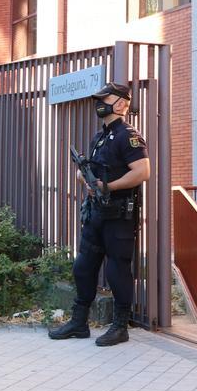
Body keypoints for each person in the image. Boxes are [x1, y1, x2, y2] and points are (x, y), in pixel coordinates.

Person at [49, 82, 150, 346]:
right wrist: (85, 178)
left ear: (121, 104)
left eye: (104, 98)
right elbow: (91, 171)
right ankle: (79, 322)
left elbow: (142, 171)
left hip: (119, 216)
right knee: (83, 267)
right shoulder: (99, 137)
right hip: (96, 214)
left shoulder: (129, 135)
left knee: (117, 270)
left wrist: (109, 187)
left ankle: (120, 327)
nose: (99, 103)